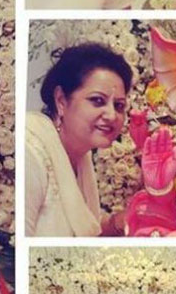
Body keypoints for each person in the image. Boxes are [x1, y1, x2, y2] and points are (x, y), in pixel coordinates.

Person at [26, 43, 133, 236]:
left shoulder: (81, 156)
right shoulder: (30, 151)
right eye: (97, 100)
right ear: (61, 101)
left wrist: (118, 222)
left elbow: (80, 226)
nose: (111, 115)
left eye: (119, 106)